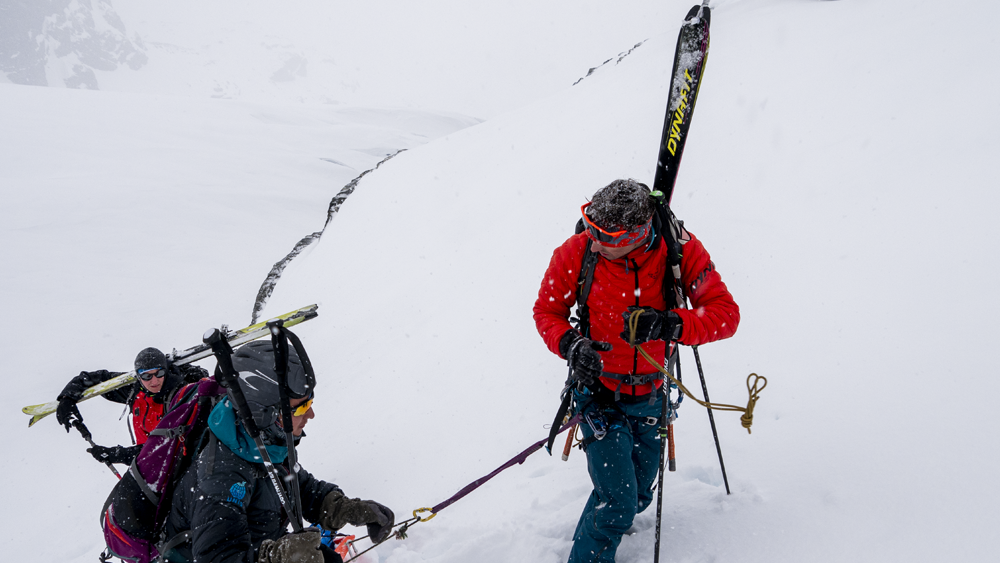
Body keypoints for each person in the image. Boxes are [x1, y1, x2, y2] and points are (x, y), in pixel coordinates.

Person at [533, 179, 740, 563]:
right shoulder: (578, 251)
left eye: (605, 238)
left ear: (637, 233)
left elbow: (725, 315)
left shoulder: (679, 251)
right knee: (618, 502)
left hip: (650, 395)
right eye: (590, 229)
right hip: (597, 395)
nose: (594, 242)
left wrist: (669, 324)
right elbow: (547, 311)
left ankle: (605, 523)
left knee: (638, 494)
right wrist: (571, 345)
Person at [161, 340, 395, 563]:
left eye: (310, 403)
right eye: (302, 408)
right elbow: (217, 557)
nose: (311, 415)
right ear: (264, 413)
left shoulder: (266, 442)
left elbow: (298, 486)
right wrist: (280, 556)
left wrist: (347, 509)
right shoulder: (222, 476)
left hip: (262, 545)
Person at [55, 347, 208, 466]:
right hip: (145, 465)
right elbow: (93, 379)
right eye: (147, 376)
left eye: (159, 373)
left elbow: (165, 448)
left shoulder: (179, 397)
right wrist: (67, 398)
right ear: (138, 376)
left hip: (175, 467)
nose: (154, 381)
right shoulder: (135, 391)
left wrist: (119, 454)